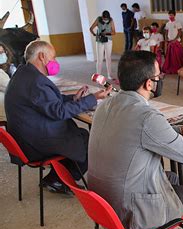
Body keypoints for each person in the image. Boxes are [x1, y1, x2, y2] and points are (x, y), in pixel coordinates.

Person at [87, 50, 183, 229]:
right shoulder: (146, 116)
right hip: (128, 211)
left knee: (170, 177)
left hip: (100, 202)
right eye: (158, 77)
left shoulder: (105, 105)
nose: (159, 80)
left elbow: (144, 132)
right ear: (148, 83)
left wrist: (180, 130)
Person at [4, 40, 111, 193]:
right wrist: (92, 99)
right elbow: (59, 112)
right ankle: (59, 179)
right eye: (53, 57)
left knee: (80, 135)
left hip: (25, 135)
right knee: (89, 142)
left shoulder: (24, 74)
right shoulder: (36, 82)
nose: (55, 62)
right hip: (35, 142)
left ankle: (56, 177)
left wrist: (74, 98)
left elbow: (48, 102)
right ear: (42, 57)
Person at [89, 10, 116, 79]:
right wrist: (94, 34)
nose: (105, 20)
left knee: (108, 58)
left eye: (106, 19)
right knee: (99, 59)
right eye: (104, 18)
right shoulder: (98, 19)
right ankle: (98, 75)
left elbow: (114, 32)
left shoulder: (111, 20)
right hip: (99, 41)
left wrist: (106, 33)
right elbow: (91, 28)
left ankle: (109, 75)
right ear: (102, 17)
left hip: (108, 40)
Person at [0, 43, 16, 122]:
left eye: (3, 52)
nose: (2, 55)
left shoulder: (11, 67)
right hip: (4, 116)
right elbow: (12, 88)